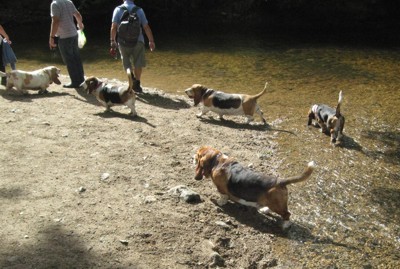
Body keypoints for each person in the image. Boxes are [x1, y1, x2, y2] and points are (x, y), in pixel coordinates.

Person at [110, 0, 155, 93]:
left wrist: (112, 41)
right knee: (138, 61)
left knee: (126, 61)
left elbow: (113, 27)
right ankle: (137, 83)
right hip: (138, 41)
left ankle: (132, 79)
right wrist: (151, 41)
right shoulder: (139, 10)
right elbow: (146, 27)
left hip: (122, 41)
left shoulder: (118, 10)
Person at [49, 0, 85, 88]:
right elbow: (78, 15)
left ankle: (75, 82)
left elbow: (56, 21)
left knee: (69, 60)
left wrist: (52, 37)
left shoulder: (55, 4)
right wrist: (80, 24)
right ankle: (81, 80)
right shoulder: (69, 2)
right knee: (76, 57)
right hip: (74, 34)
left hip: (64, 36)